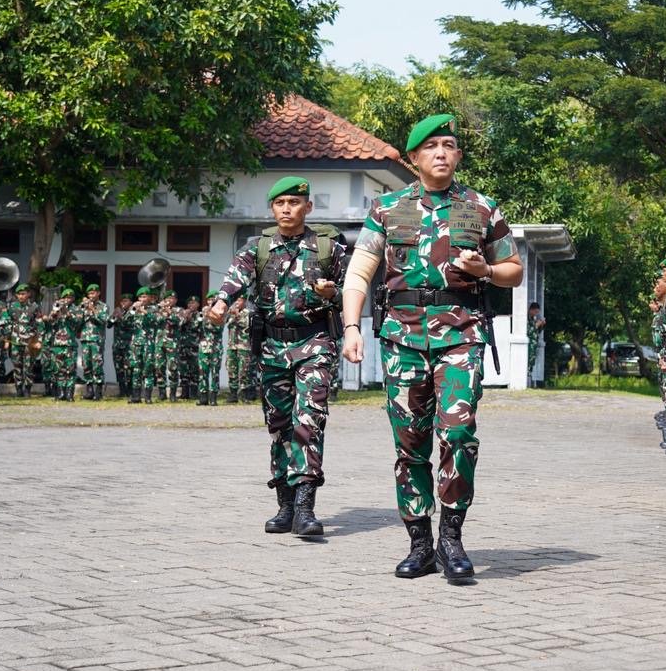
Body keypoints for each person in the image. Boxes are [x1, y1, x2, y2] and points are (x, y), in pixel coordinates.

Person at [341, 113, 523, 584]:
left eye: (449, 145)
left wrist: (485, 271)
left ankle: (452, 538)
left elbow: (514, 270)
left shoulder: (481, 208)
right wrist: (351, 327)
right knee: (410, 442)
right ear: (414, 157)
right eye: (431, 146)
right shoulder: (387, 208)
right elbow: (359, 272)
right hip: (402, 338)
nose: (441, 153)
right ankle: (420, 543)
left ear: (458, 155)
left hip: (461, 334)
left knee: (458, 434)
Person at [206, 176, 346, 538]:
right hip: (272, 347)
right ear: (272, 208)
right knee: (279, 424)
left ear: (308, 207)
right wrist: (221, 302)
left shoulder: (328, 248)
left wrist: (333, 294)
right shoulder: (259, 248)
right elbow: (235, 278)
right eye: (280, 203)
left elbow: (353, 290)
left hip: (315, 342)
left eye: (294, 203)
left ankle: (305, 507)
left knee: (309, 420)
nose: (287, 209)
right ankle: (285, 505)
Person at [48, 288, 82, 401]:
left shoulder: (76, 309)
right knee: (58, 369)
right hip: (57, 344)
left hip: (70, 344)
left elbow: (78, 323)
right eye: (65, 297)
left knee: (70, 369)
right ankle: (60, 392)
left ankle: (69, 393)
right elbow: (50, 323)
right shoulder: (56, 308)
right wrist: (54, 313)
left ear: (73, 299)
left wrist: (67, 313)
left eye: (70, 297)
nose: (67, 299)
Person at [78, 284, 109, 400]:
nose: (91, 295)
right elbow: (78, 321)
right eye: (89, 294)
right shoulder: (83, 306)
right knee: (86, 364)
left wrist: (92, 310)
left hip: (97, 339)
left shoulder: (103, 306)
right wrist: (81, 309)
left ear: (98, 293)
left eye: (93, 293)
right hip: (85, 339)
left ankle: (98, 391)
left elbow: (103, 320)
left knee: (97, 365)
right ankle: (89, 390)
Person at [8, 285, 39, 398]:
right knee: (17, 366)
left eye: (23, 294)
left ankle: (27, 389)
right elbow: (8, 322)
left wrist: (39, 340)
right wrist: (6, 339)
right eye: (19, 294)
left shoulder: (34, 307)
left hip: (29, 341)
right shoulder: (12, 307)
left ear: (28, 294)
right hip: (16, 341)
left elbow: (39, 324)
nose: (21, 296)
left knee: (28, 366)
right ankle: (18, 389)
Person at [196, 290, 224, 406]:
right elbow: (196, 327)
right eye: (209, 299)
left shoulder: (221, 312)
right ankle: (203, 397)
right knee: (203, 372)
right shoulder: (203, 311)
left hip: (216, 347)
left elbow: (217, 328)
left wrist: (209, 316)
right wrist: (201, 318)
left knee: (215, 372)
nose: (211, 301)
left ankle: (213, 397)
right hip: (204, 347)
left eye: (213, 299)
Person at [225, 297, 252, 403]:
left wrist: (237, 315)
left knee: (243, 371)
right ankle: (233, 394)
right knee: (231, 370)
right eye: (236, 300)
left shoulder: (248, 313)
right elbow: (224, 322)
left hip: (243, 346)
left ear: (244, 302)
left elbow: (246, 325)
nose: (237, 302)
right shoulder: (231, 312)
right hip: (232, 346)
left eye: (239, 300)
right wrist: (228, 313)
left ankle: (244, 395)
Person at [110, 293, 134, 396]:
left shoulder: (133, 312)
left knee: (129, 368)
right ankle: (122, 390)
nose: (123, 303)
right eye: (122, 301)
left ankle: (129, 390)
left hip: (129, 345)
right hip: (117, 345)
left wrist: (120, 317)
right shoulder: (118, 311)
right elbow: (109, 324)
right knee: (118, 368)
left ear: (131, 302)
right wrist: (113, 316)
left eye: (126, 301)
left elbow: (126, 324)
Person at [178, 295, 200, 401]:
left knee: (194, 370)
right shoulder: (183, 313)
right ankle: (184, 393)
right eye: (189, 303)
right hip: (183, 346)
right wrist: (185, 317)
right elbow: (178, 325)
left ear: (198, 304)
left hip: (195, 347)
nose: (191, 305)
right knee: (183, 370)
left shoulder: (200, 315)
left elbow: (197, 326)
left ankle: (194, 394)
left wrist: (190, 319)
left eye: (194, 303)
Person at [526, 302, 545, 387]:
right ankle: (526, 380)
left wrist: (541, 326)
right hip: (528, 345)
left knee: (531, 363)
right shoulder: (526, 319)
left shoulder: (533, 319)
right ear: (531, 310)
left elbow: (537, 332)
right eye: (535, 312)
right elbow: (528, 331)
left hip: (533, 344)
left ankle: (529, 381)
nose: (536, 314)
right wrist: (536, 325)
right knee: (527, 362)